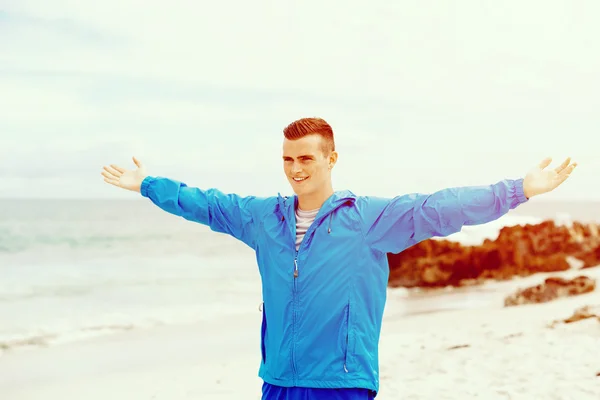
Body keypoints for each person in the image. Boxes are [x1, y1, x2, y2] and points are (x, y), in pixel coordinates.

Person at [101, 117, 577, 399]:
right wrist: (147, 185)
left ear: (331, 159)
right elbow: (204, 202)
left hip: (341, 383)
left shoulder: (369, 219)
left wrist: (518, 190)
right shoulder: (262, 218)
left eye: (306, 158)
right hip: (279, 381)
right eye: (288, 159)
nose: (295, 169)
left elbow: (440, 208)